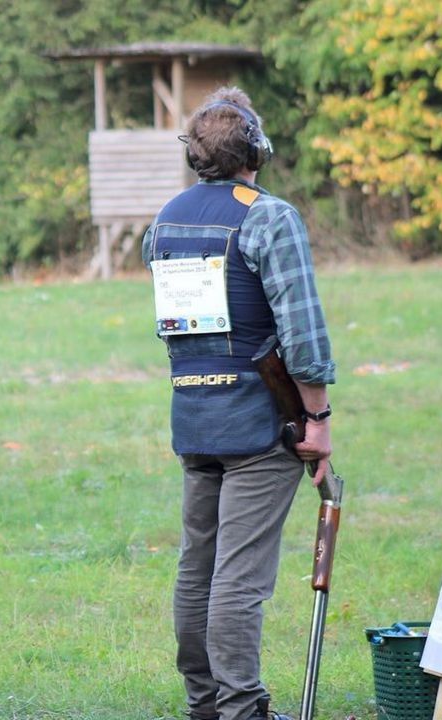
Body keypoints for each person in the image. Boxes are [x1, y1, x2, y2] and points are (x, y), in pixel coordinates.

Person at [142, 87, 334, 720]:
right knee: (239, 578)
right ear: (256, 150)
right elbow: (303, 338)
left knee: (198, 567)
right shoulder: (269, 216)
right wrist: (318, 419)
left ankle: (205, 704)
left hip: (193, 418)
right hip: (260, 422)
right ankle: (242, 709)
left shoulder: (165, 219)